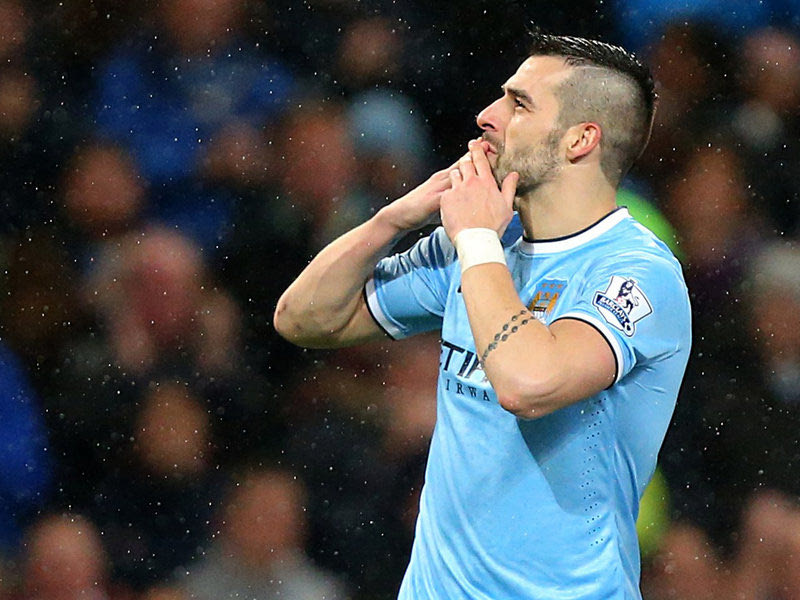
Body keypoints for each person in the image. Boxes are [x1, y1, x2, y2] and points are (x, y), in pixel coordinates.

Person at [275, 33, 691, 599]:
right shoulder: (482, 243)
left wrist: (475, 241)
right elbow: (303, 319)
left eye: (519, 104)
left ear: (580, 139)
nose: (487, 116)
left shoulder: (635, 273)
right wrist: (391, 221)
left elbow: (528, 384)